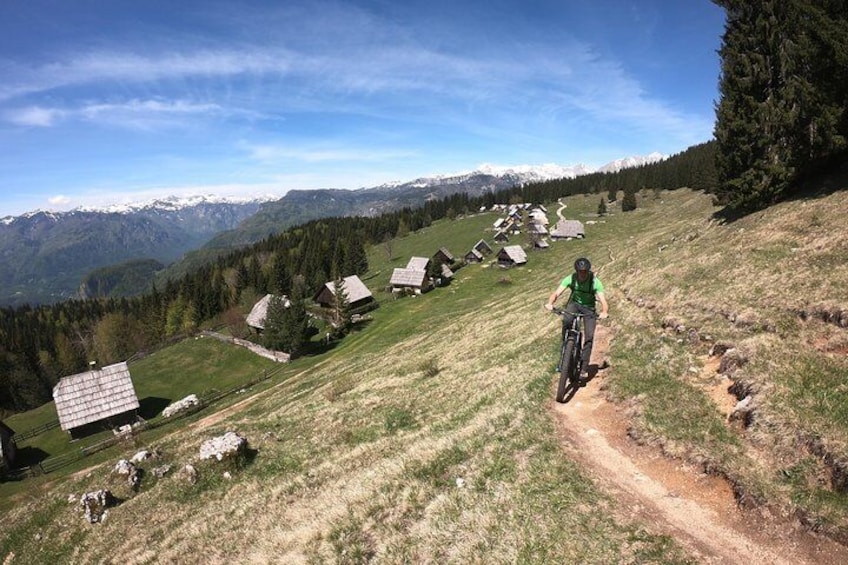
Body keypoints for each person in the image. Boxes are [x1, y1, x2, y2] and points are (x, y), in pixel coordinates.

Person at [545, 257, 609, 378]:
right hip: (574, 305)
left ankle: (584, 368)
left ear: (588, 271)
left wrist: (604, 311)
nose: (583, 274)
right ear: (576, 271)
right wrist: (550, 303)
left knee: (589, 337)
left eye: (585, 271)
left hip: (589, 308)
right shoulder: (571, 279)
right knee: (567, 320)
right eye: (580, 271)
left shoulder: (595, 282)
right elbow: (557, 293)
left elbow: (603, 301)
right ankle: (565, 349)